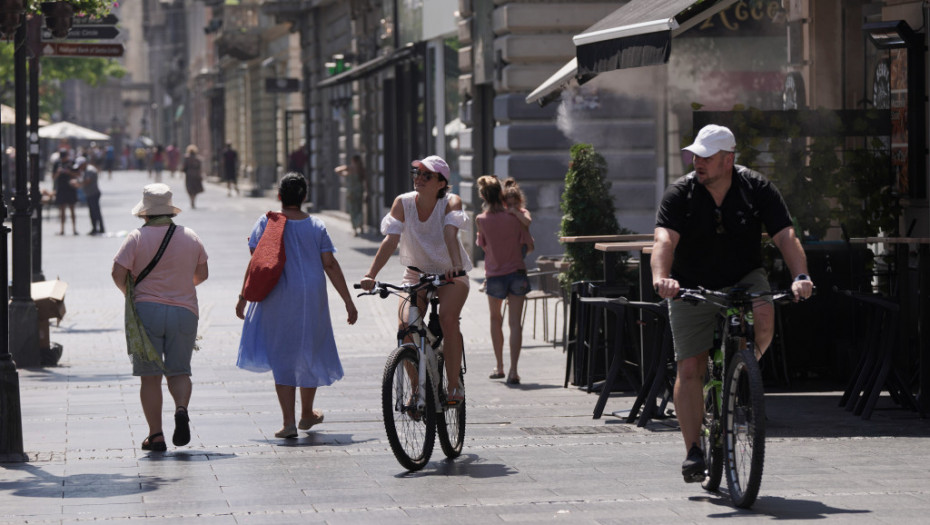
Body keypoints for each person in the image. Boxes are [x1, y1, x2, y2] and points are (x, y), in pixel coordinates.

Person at [651, 124, 814, 483]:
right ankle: (694, 450)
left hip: (743, 276)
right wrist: (663, 278)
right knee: (690, 368)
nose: (697, 162)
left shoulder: (756, 188)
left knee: (766, 313)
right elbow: (663, 239)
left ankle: (742, 369)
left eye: (706, 157)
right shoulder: (681, 193)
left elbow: (785, 235)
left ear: (729, 159)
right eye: (695, 155)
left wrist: (801, 276)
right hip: (691, 284)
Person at [236, 173, 358, 439]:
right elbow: (330, 264)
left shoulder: (267, 222)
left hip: (278, 295)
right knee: (309, 348)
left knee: (282, 354)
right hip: (311, 295)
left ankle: (288, 421)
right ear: (304, 197)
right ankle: (307, 412)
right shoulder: (316, 225)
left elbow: (257, 261)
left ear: (279, 196)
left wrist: (243, 296)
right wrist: (348, 300)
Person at [359, 155, 472, 404]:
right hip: (415, 273)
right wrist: (371, 275)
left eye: (426, 175)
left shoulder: (451, 202)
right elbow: (390, 240)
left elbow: (450, 233)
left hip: (450, 273)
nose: (419, 178)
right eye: (417, 173)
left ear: (441, 182)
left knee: (448, 319)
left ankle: (454, 386)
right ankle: (416, 390)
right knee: (405, 328)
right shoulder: (403, 202)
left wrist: (454, 265)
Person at [111, 183, 209, 452]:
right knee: (179, 371)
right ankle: (181, 408)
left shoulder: (136, 238)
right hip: (185, 312)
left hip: (147, 312)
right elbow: (202, 275)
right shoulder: (190, 236)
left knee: (150, 376)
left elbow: (118, 274)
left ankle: (156, 435)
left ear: (145, 213)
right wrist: (178, 286)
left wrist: (132, 294)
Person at [476, 175, 533, 385]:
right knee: (515, 324)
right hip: (517, 272)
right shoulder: (515, 216)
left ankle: (499, 366)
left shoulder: (481, 220)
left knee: (495, 320)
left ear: (483, 195)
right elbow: (528, 241)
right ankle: (514, 371)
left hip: (494, 274)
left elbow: (483, 245)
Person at [334, 154, 368, 236]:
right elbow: (366, 182)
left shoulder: (349, 168)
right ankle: (361, 225)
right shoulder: (361, 170)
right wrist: (367, 192)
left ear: (353, 160)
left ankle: (355, 229)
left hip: (351, 192)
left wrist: (345, 169)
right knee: (359, 209)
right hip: (359, 191)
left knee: (353, 210)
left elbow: (337, 170)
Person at [74, 156, 104, 235]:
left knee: (95, 211)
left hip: (93, 193)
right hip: (89, 194)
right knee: (92, 212)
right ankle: (95, 228)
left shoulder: (89, 170)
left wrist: (78, 184)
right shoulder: (86, 170)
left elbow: (87, 181)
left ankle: (100, 228)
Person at [52, 148, 79, 236]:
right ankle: (62, 229)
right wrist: (58, 173)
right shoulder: (57, 163)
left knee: (72, 209)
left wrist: (69, 172)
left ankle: (74, 229)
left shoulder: (72, 163)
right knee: (62, 210)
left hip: (70, 188)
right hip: (61, 188)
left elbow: (77, 174)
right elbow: (53, 177)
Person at [182, 144, 204, 209]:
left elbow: (184, 167)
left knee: (189, 189)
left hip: (189, 175)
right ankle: (193, 200)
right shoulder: (198, 159)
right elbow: (200, 168)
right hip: (196, 175)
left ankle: (191, 200)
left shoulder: (187, 158)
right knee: (195, 189)